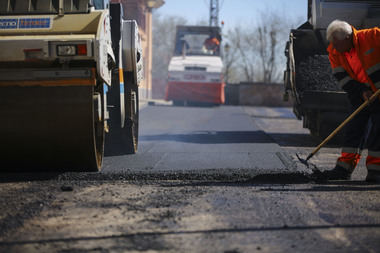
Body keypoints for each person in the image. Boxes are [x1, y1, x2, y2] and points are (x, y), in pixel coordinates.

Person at [320, 20, 380, 182]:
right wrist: (361, 92)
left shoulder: (373, 37)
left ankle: (376, 171)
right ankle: (344, 169)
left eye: (337, 43)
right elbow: (342, 78)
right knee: (353, 129)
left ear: (347, 37)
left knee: (378, 130)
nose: (334, 48)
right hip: (360, 95)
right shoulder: (334, 51)